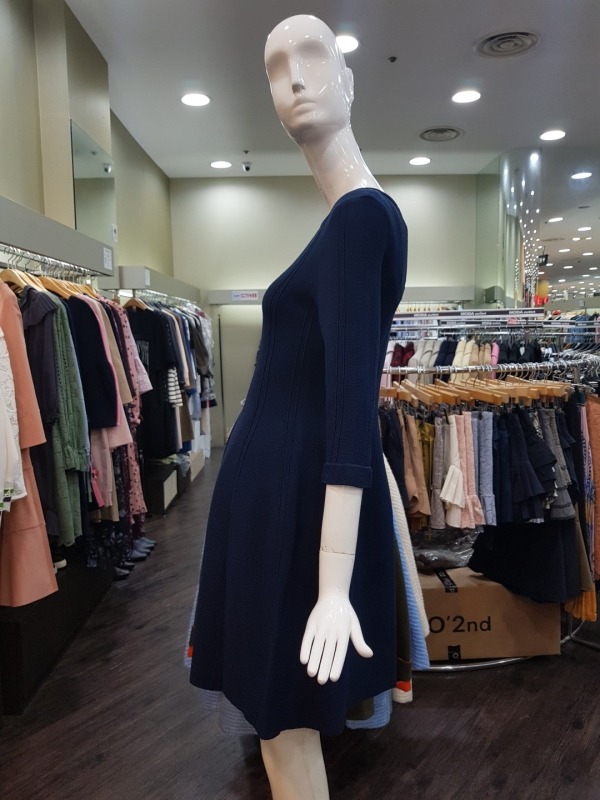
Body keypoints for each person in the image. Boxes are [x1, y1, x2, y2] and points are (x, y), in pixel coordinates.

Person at [189, 14, 408, 799]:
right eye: (275, 66)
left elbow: (352, 405)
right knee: (282, 732)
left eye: (313, 55)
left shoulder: (359, 218)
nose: (294, 77)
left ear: (348, 82)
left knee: (284, 732)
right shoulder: (354, 218)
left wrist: (333, 587)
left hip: (295, 517)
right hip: (281, 507)